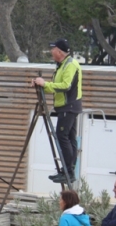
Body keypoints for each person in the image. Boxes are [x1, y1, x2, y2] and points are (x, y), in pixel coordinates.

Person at [31, 38, 82, 183]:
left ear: (59, 51)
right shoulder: (62, 65)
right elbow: (56, 86)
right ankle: (67, 171)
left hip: (69, 105)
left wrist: (45, 84)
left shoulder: (70, 64)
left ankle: (68, 171)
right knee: (69, 138)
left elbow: (65, 86)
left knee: (62, 136)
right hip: (67, 106)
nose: (51, 52)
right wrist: (41, 85)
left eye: (53, 49)